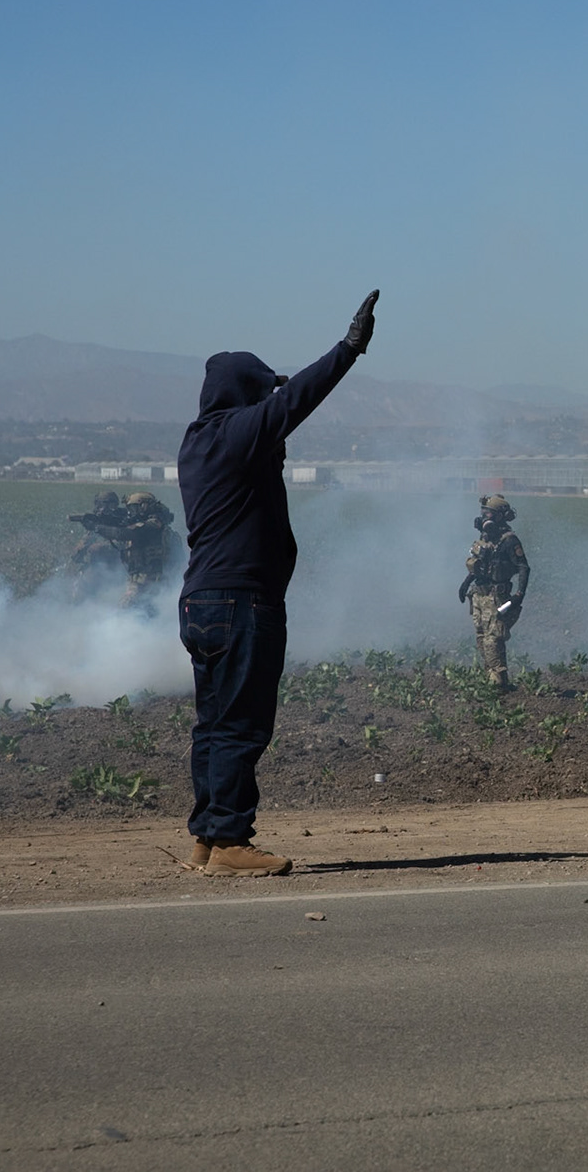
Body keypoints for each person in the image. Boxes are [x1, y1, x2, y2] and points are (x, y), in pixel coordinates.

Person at [175, 289, 378, 877]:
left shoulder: (199, 442)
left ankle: (207, 839)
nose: (267, 398)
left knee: (213, 725)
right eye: (260, 389)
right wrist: (349, 349)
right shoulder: (238, 434)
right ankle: (233, 842)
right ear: (244, 394)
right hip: (241, 603)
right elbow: (296, 402)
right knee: (241, 725)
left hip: (203, 602)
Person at [458, 494, 530, 687]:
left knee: (493, 639)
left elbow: (523, 567)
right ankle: (494, 677)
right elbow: (481, 565)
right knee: (481, 637)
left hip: (496, 596)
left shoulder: (509, 540)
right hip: (479, 594)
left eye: (488, 513)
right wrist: (466, 582)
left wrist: (518, 595)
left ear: (499, 516)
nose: (484, 517)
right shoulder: (486, 538)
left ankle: (497, 682)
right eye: (483, 513)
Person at [116, 490, 175, 608]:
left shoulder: (153, 526)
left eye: (135, 508)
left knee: (128, 606)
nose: (132, 512)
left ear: (145, 506)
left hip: (152, 579)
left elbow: (126, 533)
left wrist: (99, 528)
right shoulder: (153, 525)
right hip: (138, 578)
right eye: (131, 508)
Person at [68, 490, 125, 576]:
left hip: (121, 565)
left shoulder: (123, 519)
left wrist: (102, 547)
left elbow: (124, 543)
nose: (104, 509)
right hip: (101, 566)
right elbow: (81, 548)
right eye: (101, 505)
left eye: (110, 505)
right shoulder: (99, 521)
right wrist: (79, 552)